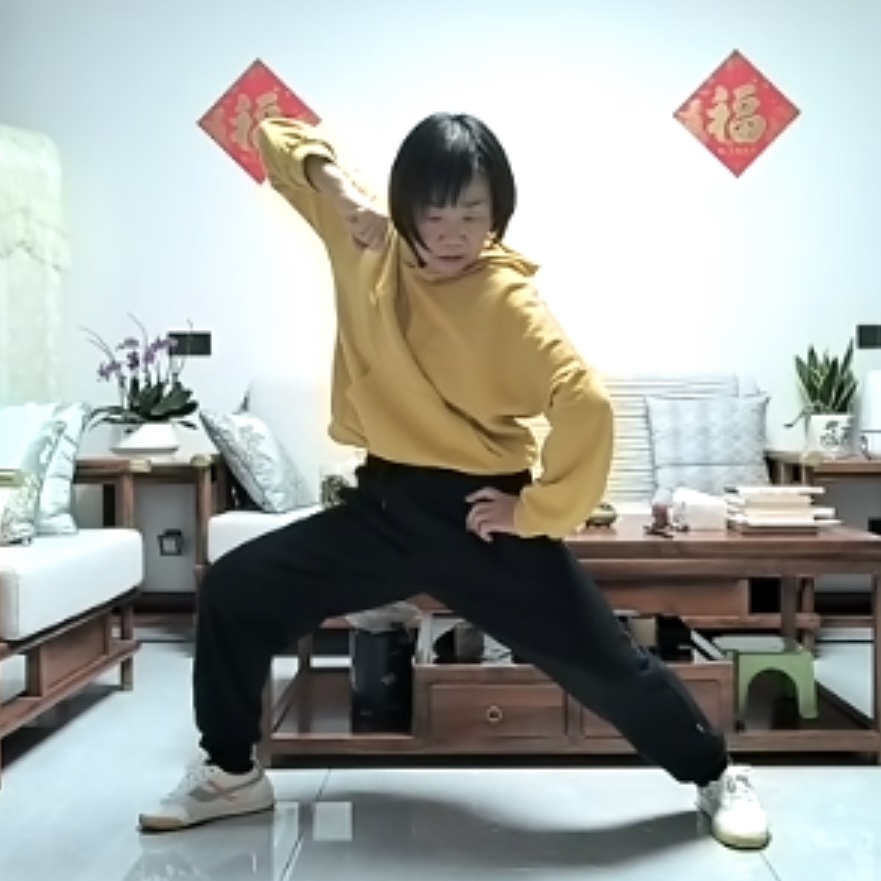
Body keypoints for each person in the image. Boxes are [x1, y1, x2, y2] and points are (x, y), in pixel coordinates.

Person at [139, 111, 770, 850]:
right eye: (434, 212)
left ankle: (716, 773)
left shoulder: (507, 300)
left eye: (472, 212)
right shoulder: (369, 238)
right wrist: (340, 193)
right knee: (236, 589)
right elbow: (276, 135)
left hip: (477, 516)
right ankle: (231, 773)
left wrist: (533, 510)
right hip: (382, 507)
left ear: (497, 210)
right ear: (405, 205)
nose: (451, 231)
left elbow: (585, 403)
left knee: (604, 663)